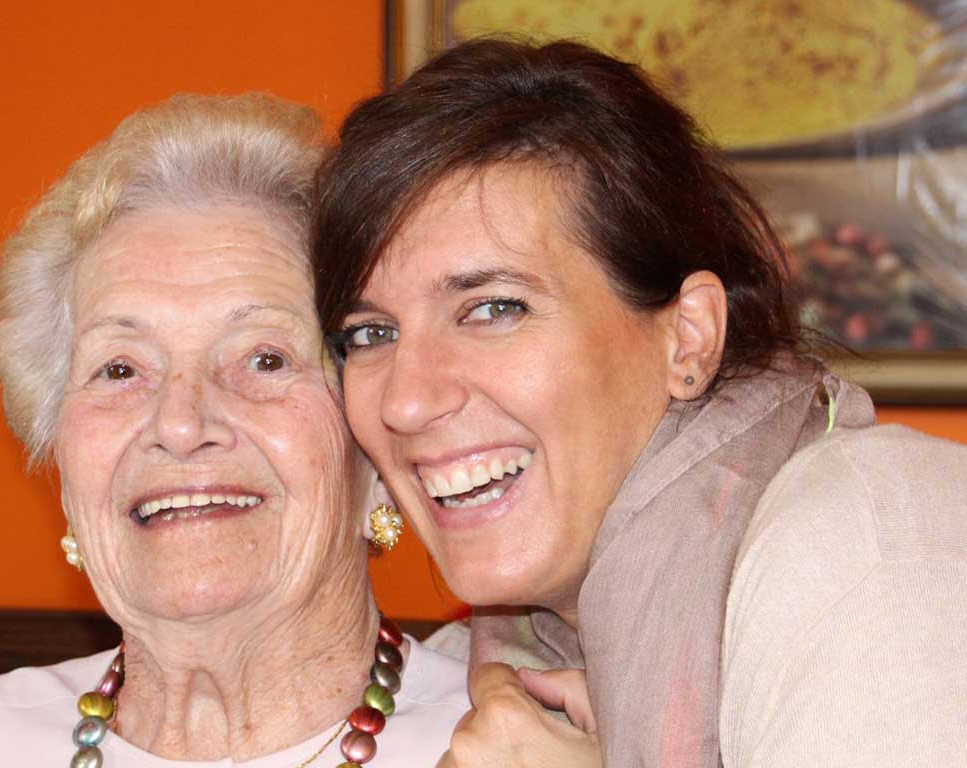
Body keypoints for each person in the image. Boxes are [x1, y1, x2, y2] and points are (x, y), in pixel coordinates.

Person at [312, 39, 967, 767]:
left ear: (688, 338)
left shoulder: (874, 549)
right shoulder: (488, 672)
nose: (406, 401)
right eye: (370, 333)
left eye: (494, 309)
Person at [0, 93, 468, 767]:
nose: (181, 424)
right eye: (119, 369)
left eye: (264, 359)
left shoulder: (525, 748)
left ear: (374, 459)